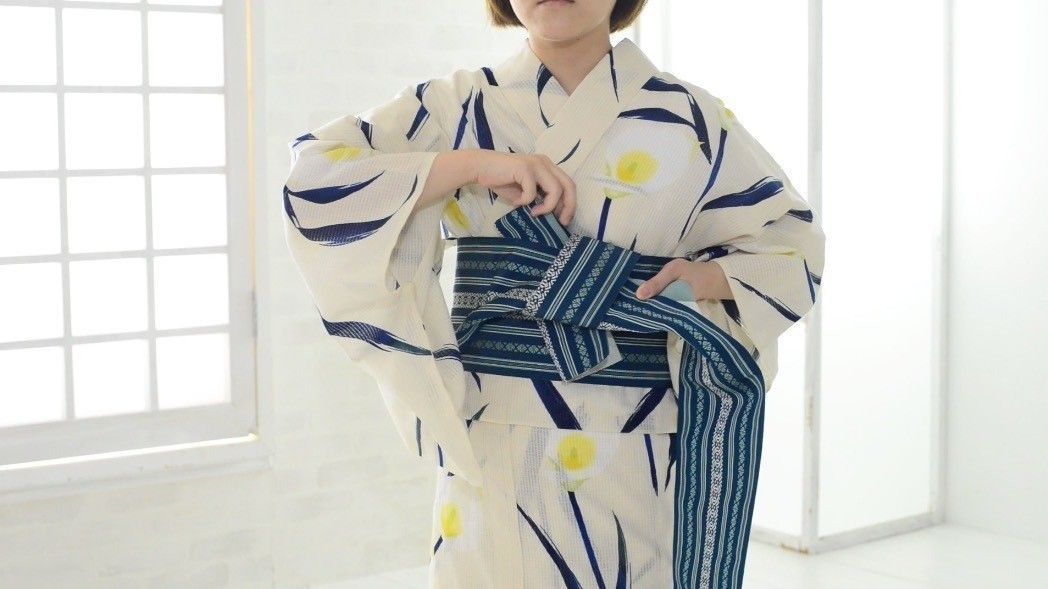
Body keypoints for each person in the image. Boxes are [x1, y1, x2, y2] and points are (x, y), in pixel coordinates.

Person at [282, 0, 826, 586]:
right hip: (492, 426)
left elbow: (791, 242)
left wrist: (707, 279)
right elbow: (316, 178)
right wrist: (470, 166)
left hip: (637, 435)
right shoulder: (455, 106)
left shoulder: (692, 118)